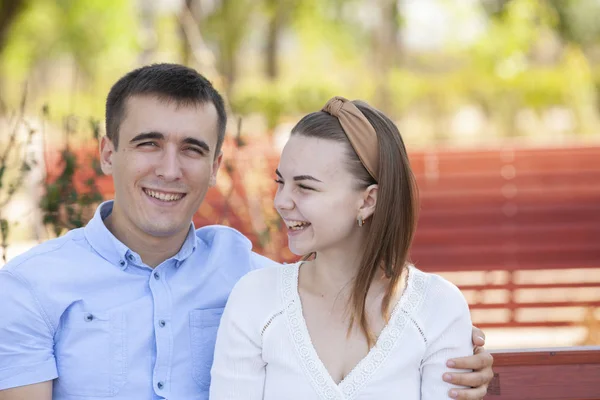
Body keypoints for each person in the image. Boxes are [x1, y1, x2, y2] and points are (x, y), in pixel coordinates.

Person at [0, 64, 492, 400]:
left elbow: (336, 292)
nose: (169, 170)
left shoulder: (246, 276)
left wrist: (457, 347)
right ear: (108, 152)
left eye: (192, 149)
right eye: (148, 143)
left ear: (216, 165)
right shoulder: (30, 287)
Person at [210, 97, 484, 399]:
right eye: (281, 182)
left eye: (305, 187)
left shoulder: (438, 308)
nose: (281, 201)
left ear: (368, 201)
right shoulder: (255, 299)